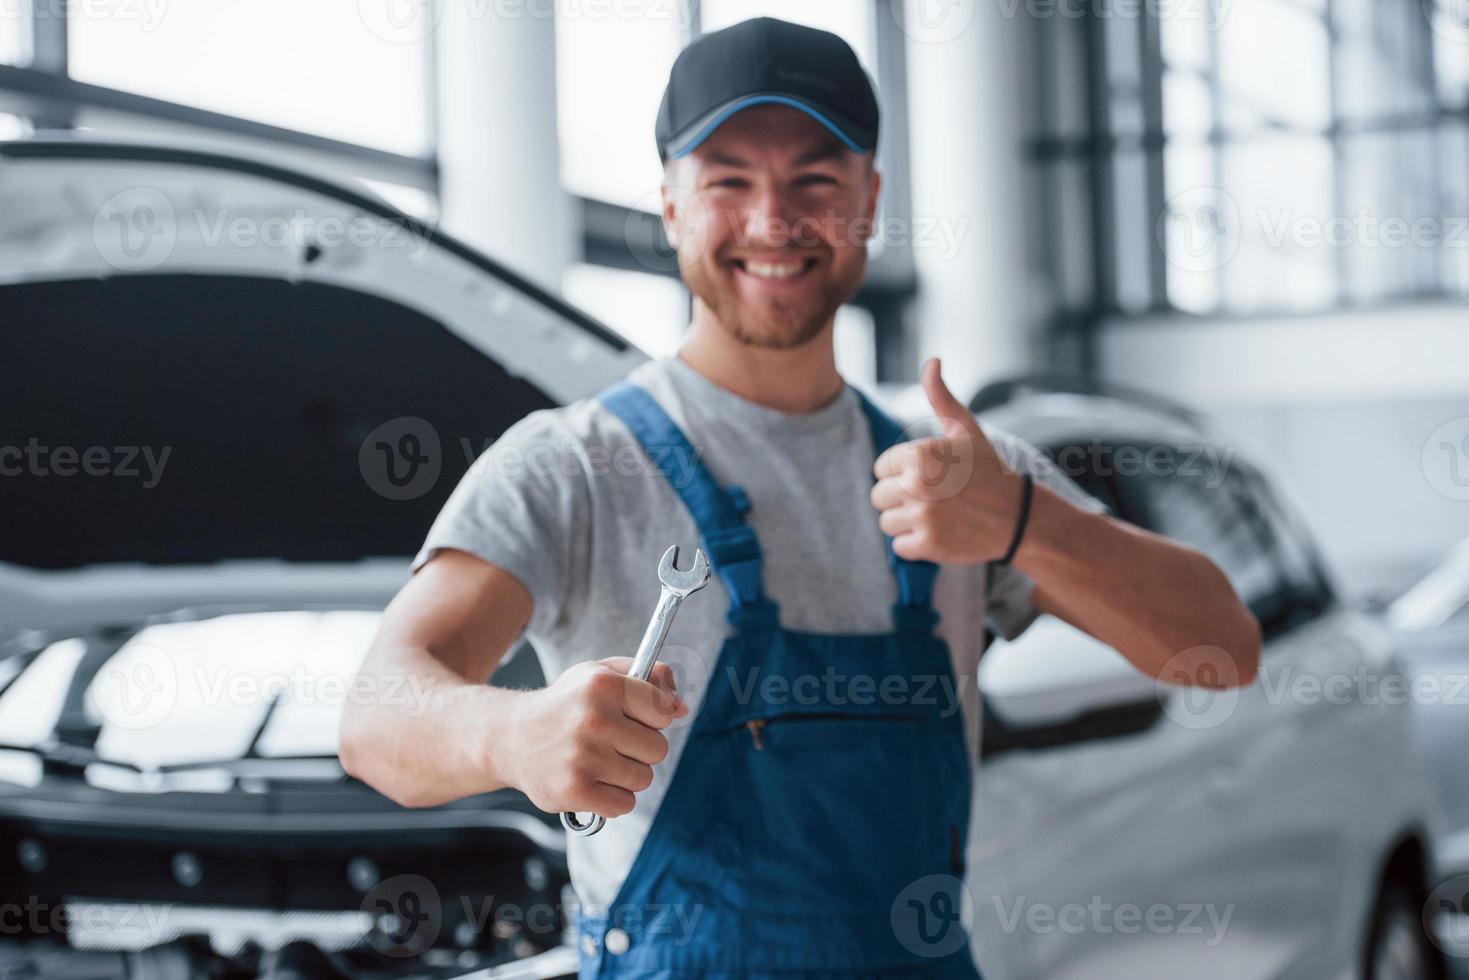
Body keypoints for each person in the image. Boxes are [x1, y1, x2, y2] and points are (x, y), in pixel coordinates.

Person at [341, 17, 1262, 978]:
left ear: (869, 198)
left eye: (814, 180)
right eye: (728, 181)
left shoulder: (959, 470)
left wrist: (1027, 522)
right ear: (668, 208)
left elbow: (1221, 653)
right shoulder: (570, 466)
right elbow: (376, 720)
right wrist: (513, 733)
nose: (773, 221)